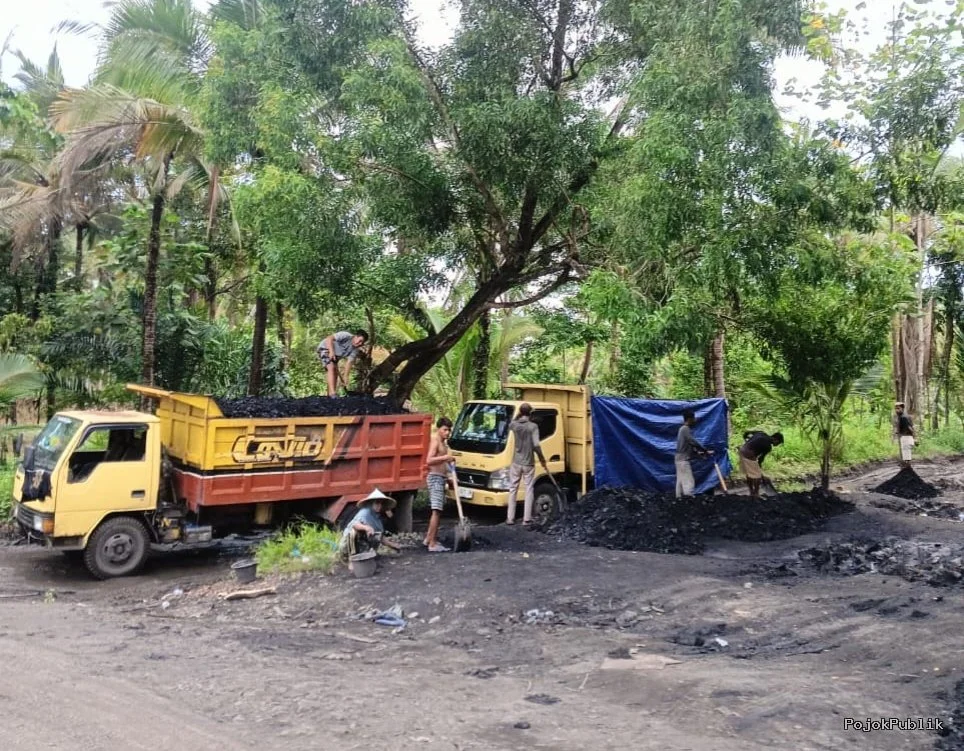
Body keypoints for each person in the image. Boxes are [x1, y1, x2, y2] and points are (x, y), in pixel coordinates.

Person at [506, 403, 548, 526]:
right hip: (528, 462)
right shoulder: (533, 427)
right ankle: (526, 519)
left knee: (513, 488)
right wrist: (542, 459)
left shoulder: (514, 425)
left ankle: (510, 518)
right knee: (529, 489)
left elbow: (511, 422)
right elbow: (536, 445)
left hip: (516, 461)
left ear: (520, 412)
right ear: (530, 413)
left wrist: (519, 414)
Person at [339, 489, 401, 571]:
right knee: (354, 532)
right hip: (348, 546)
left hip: (362, 546)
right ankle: (351, 560)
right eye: (377, 503)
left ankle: (368, 556)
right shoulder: (365, 512)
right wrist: (366, 528)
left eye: (380, 503)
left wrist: (392, 545)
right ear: (371, 503)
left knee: (376, 535)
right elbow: (354, 525)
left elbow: (380, 536)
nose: (379, 505)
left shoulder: (377, 518)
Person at [424, 417, 454, 553]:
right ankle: (432, 543)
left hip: (441, 477)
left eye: (449, 430)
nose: (447, 432)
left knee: (438, 510)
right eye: (445, 430)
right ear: (439, 429)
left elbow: (444, 464)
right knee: (436, 510)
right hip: (434, 477)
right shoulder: (435, 440)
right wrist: (445, 458)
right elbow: (429, 460)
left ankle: (428, 538)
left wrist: (450, 477)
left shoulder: (444, 443)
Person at [317, 330, 369, 397]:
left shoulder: (355, 349)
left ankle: (330, 394)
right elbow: (329, 338)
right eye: (360, 340)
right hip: (326, 348)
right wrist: (331, 351)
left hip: (336, 355)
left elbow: (349, 362)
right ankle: (333, 394)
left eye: (362, 343)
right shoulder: (345, 335)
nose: (360, 343)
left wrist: (346, 376)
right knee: (331, 368)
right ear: (356, 336)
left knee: (334, 372)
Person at [739, 430, 784, 499]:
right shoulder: (768, 446)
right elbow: (760, 460)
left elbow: (746, 433)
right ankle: (756, 494)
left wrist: (747, 442)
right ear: (776, 439)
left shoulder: (761, 433)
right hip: (749, 453)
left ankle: (751, 492)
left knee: (749, 473)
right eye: (778, 443)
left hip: (742, 450)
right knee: (757, 476)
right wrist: (761, 475)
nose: (777, 445)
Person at [675, 410, 710, 498]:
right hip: (683, 460)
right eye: (693, 418)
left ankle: (678, 499)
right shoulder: (685, 429)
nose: (695, 420)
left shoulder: (682, 429)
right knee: (689, 482)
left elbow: (688, 446)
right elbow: (692, 441)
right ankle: (689, 499)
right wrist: (704, 450)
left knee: (680, 481)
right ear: (689, 419)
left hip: (679, 459)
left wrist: (699, 453)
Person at [894, 402, 916, 468]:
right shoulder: (905, 416)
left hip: (906, 437)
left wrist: (914, 437)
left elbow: (910, 428)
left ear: (902, 408)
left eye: (898, 408)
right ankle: (906, 468)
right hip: (906, 437)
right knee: (906, 454)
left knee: (906, 455)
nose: (897, 410)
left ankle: (907, 469)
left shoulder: (903, 417)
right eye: (896, 408)